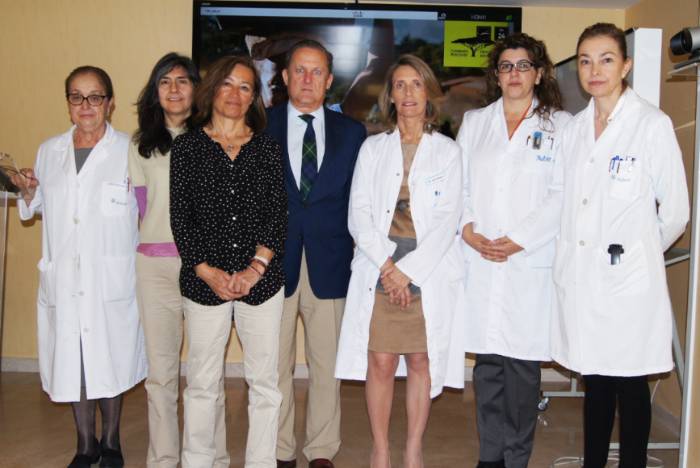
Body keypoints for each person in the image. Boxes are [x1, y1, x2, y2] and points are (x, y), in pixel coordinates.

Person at [551, 23, 689, 467]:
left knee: (629, 383)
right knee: (596, 382)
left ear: (625, 65)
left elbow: (676, 212)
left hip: (628, 281)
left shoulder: (651, 123)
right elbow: (567, 203)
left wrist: (637, 253)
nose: (595, 70)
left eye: (606, 59)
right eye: (586, 60)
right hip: (583, 278)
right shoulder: (572, 130)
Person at [11, 66, 147, 468]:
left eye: (95, 96)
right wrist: (28, 189)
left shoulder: (131, 149)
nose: (86, 105)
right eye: (76, 96)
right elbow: (36, 207)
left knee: (110, 357)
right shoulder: (49, 150)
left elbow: (150, 210)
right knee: (74, 361)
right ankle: (85, 445)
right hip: (65, 277)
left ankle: (112, 443)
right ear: (68, 103)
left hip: (110, 277)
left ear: (110, 103)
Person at [335, 54, 466, 468]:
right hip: (380, 263)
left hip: (428, 265)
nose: (408, 93)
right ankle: (380, 448)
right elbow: (358, 213)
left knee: (421, 358)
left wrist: (408, 272)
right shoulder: (373, 149)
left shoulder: (448, 152)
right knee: (381, 359)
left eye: (416, 85)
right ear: (390, 96)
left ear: (429, 94)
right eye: (400, 85)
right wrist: (389, 268)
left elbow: (449, 220)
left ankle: (412, 447)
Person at [456, 33, 571, 468]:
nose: (514, 74)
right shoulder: (475, 122)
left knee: (522, 372)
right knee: (487, 367)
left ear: (539, 73)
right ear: (497, 76)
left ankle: (516, 458)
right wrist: (467, 228)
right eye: (506, 66)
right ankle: (490, 456)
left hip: (529, 261)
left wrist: (520, 238)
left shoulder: (561, 125)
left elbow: (561, 193)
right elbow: (460, 184)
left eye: (523, 66)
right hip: (482, 258)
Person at [169, 55, 287, 468]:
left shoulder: (268, 149)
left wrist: (254, 270)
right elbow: (181, 217)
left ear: (254, 97)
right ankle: (198, 461)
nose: (235, 94)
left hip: (263, 284)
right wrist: (207, 270)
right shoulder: (186, 147)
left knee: (265, 385)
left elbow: (277, 216)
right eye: (228, 84)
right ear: (212, 88)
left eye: (245, 87)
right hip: (203, 284)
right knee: (202, 384)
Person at [265, 39, 366, 468]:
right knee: (275, 368)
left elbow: (359, 201)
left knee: (327, 365)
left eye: (317, 72)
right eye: (299, 71)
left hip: (331, 265)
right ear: (286, 77)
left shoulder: (353, 132)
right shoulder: (259, 124)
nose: (307, 79)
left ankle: (321, 450)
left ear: (329, 81)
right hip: (271, 263)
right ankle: (281, 450)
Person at [129, 53, 213, 468]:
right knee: (161, 374)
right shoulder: (139, 144)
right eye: (165, 81)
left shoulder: (215, 136)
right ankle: (163, 459)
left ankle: (210, 457)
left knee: (205, 373)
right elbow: (143, 209)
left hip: (205, 269)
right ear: (155, 90)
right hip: (156, 268)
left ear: (197, 89)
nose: (175, 89)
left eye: (183, 80)